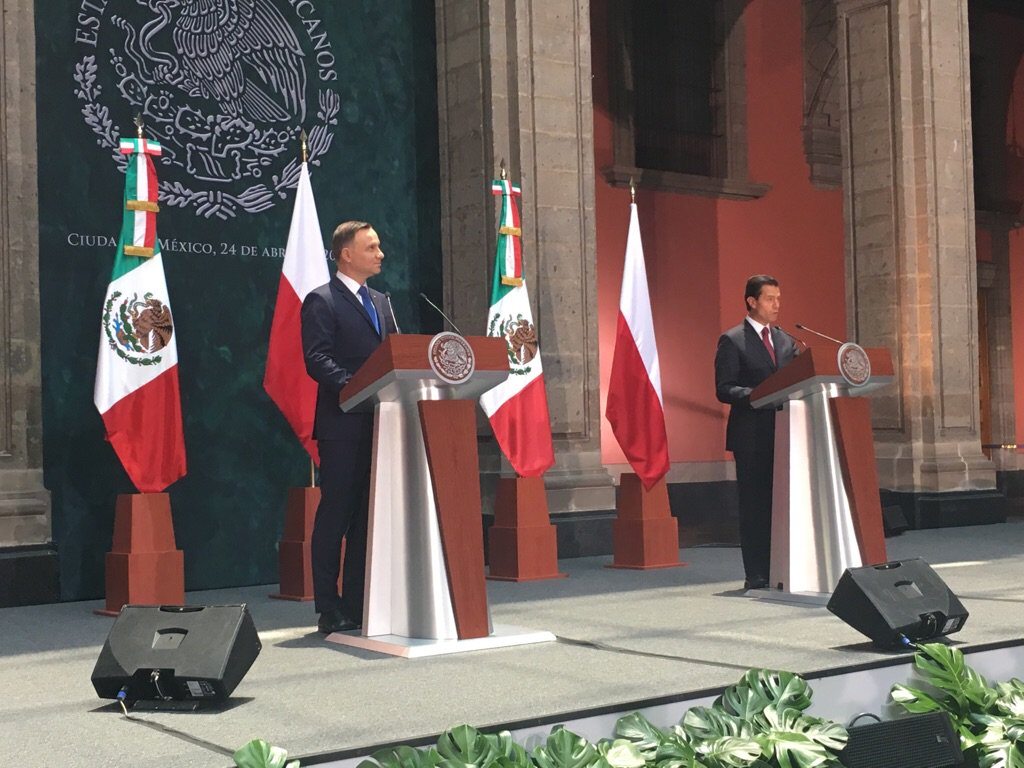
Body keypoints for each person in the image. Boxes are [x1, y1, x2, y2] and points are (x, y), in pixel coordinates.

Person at [301, 220, 397, 633]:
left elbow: (396, 355)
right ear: (346, 254)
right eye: (371, 247)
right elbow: (317, 358)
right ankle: (328, 605)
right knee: (336, 514)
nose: (380, 254)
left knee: (367, 518)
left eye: (379, 247)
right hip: (343, 424)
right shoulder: (322, 300)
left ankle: (359, 602)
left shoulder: (382, 301)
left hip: (383, 424)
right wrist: (359, 389)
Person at [714, 275, 797, 590]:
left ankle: (784, 567)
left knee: (783, 504)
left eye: (778, 298)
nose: (777, 304)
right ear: (752, 301)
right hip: (751, 436)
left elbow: (800, 378)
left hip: (788, 434)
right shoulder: (733, 340)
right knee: (755, 505)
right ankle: (757, 572)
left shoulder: (787, 341)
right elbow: (724, 389)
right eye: (770, 298)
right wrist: (758, 395)